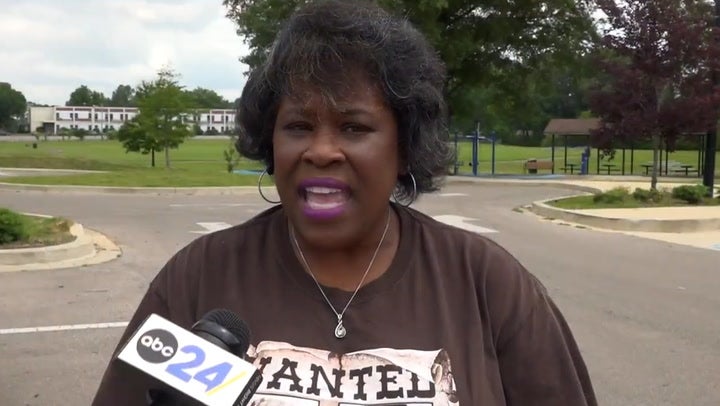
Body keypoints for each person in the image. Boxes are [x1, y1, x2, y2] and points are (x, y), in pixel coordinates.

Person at [92, 0, 597, 404]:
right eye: (298, 126)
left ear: (404, 148)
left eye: (354, 127)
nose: (321, 151)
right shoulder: (197, 278)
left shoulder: (487, 283)